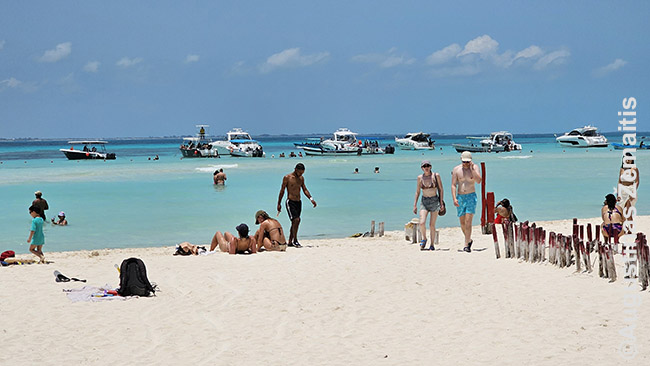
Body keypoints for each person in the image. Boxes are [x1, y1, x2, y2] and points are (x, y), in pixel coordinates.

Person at [277, 163, 316, 247]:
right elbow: (282, 191)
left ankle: (290, 242)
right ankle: (295, 240)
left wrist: (311, 199)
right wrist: (279, 203)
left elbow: (304, 189)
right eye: (300, 173)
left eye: (302, 173)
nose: (301, 174)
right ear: (296, 170)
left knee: (295, 222)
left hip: (298, 202)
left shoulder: (301, 178)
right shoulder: (287, 178)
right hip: (290, 202)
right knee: (296, 220)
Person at [451, 151, 482, 252]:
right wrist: (454, 198)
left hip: (471, 196)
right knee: (462, 222)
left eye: (468, 162)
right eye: (464, 162)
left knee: (468, 221)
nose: (466, 164)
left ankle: (466, 245)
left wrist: (472, 169)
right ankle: (469, 239)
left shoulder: (475, 168)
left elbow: (478, 180)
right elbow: (453, 185)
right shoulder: (456, 169)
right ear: (461, 160)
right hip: (460, 197)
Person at [413, 160, 444, 251]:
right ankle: (424, 238)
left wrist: (441, 203)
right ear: (422, 168)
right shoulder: (420, 178)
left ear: (430, 166)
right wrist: (415, 204)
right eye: (424, 166)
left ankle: (432, 244)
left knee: (432, 225)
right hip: (424, 201)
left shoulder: (436, 176)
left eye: (428, 166)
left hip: (434, 200)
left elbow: (441, 189)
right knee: (422, 222)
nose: (426, 167)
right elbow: (417, 191)